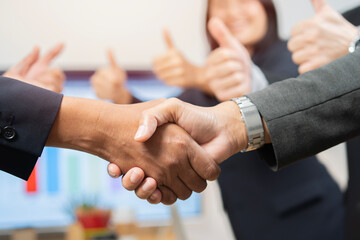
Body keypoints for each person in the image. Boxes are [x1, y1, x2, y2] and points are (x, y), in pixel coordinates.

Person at [101, 1, 344, 239]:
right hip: (249, 222)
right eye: (222, 3)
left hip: (312, 217)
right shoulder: (203, 85)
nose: (233, 10)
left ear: (266, 8)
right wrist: (123, 96)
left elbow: (287, 97)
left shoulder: (290, 52)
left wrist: (200, 75)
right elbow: (165, 118)